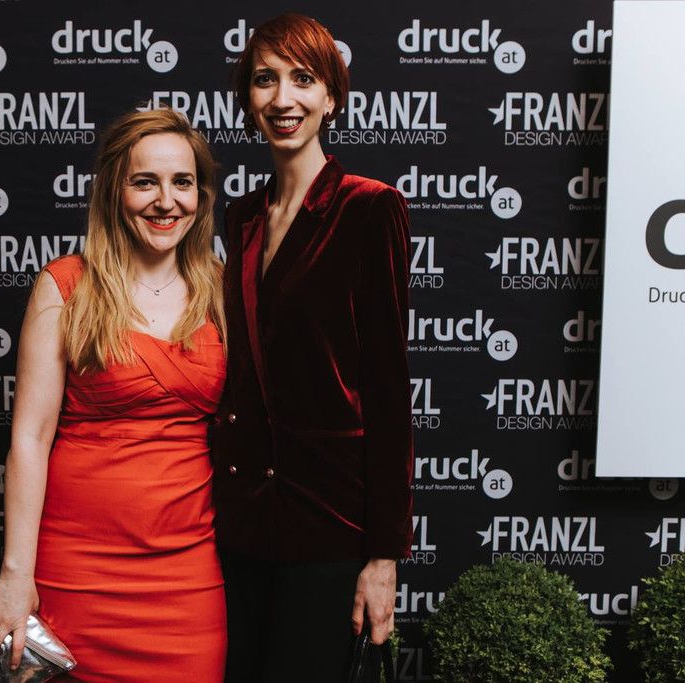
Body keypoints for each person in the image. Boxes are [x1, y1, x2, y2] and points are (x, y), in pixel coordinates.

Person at [0, 108, 228, 682]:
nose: (166, 201)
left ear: (201, 195)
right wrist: (16, 574)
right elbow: (30, 438)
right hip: (76, 569)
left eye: (182, 183)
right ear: (114, 190)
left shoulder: (223, 290)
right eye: (145, 182)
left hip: (186, 574)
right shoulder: (66, 284)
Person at [210, 13, 414, 682]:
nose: (282, 98)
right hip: (241, 526)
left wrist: (383, 557)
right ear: (248, 99)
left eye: (302, 78)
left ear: (331, 96)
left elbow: (388, 391)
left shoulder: (369, 209)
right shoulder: (242, 216)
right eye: (265, 79)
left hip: (329, 526)